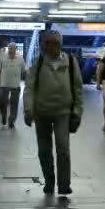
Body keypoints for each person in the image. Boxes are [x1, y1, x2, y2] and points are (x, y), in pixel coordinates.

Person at [24, 30, 83, 195]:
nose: (50, 46)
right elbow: (29, 87)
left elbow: (78, 88)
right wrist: (28, 109)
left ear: (60, 44)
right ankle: (49, 181)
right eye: (47, 43)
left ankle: (64, 185)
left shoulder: (70, 62)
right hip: (41, 112)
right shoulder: (38, 62)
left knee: (63, 149)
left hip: (63, 112)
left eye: (54, 43)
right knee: (44, 150)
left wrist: (77, 111)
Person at [0, 42, 25, 129]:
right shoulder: (2, 57)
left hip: (15, 85)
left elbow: (23, 70)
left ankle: (12, 120)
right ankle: (4, 116)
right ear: (8, 49)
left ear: (16, 49)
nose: (11, 50)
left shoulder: (20, 59)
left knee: (14, 104)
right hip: (3, 84)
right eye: (10, 48)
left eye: (13, 48)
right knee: (3, 102)